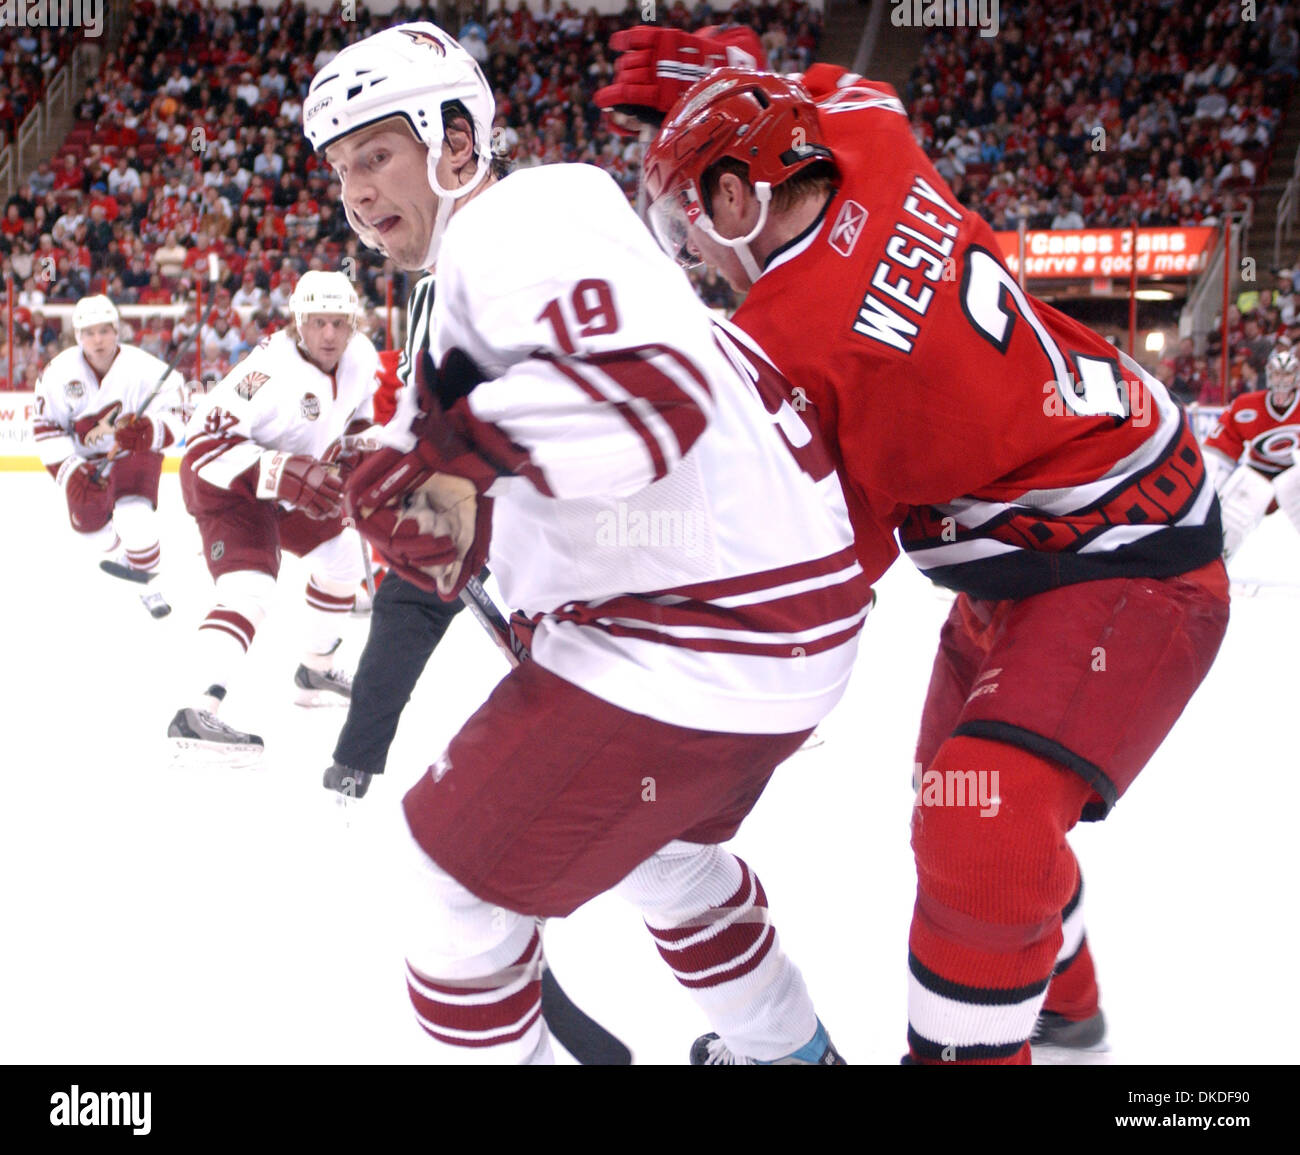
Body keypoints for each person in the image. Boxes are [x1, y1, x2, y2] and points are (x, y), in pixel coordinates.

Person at [617, 59, 1230, 1064]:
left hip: (1121, 550)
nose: (700, 260)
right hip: (1053, 525)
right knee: (961, 800)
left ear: (735, 197)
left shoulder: (782, 346)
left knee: (977, 825)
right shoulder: (869, 140)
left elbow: (813, 564)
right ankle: (1061, 1008)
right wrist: (724, 79)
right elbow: (831, 80)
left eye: (693, 225)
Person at [304, 23, 880, 1064]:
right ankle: (793, 1055)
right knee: (669, 866)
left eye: (376, 152)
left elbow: (649, 397)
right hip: (785, 634)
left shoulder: (524, 218)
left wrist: (450, 460)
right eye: (340, 168)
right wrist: (427, 502)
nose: (355, 189)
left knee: (453, 890)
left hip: (691, 638)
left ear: (457, 143)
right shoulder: (484, 273)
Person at [169, 271, 379, 764]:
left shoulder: (362, 357)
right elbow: (202, 450)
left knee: (345, 557)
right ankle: (196, 710)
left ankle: (315, 670)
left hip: (290, 482)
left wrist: (356, 453)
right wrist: (281, 471)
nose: (329, 335)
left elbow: (359, 414)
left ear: (353, 325)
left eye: (339, 323)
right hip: (229, 484)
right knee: (251, 587)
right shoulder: (265, 373)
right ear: (298, 323)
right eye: (318, 322)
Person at [320, 347, 467, 801]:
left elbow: (425, 404)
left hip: (476, 479)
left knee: (408, 607)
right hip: (500, 481)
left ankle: (353, 766)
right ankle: (354, 764)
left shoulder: (442, 289)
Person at [30, 294, 184, 619]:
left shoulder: (144, 367)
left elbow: (179, 406)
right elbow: (45, 427)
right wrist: (72, 471)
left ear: (117, 331)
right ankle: (123, 556)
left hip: (134, 452)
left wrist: (151, 431)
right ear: (77, 336)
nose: (98, 340)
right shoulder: (58, 373)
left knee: (135, 518)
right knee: (90, 532)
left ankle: (149, 588)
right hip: (85, 462)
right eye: (89, 332)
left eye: (104, 330)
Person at [1203, 342, 1300, 558]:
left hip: (1294, 476)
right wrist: (1212, 486)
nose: (1282, 381)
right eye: (1277, 375)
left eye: (1287, 375)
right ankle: (1216, 567)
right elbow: (1219, 453)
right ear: (1268, 375)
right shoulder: (1246, 405)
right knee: (1231, 525)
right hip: (1257, 474)